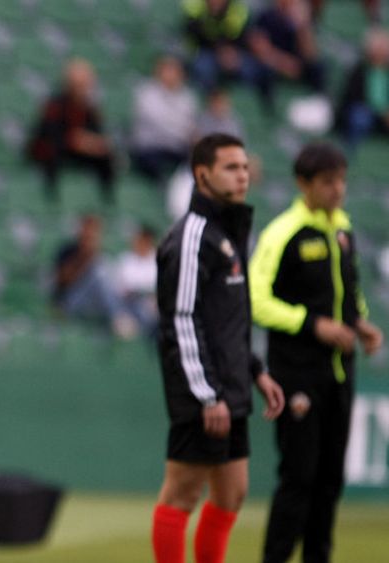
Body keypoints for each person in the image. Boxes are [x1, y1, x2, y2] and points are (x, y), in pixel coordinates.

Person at [152, 133, 284, 563]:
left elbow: (229, 322)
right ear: (201, 174)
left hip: (231, 386)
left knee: (232, 492)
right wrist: (207, 393)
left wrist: (255, 370)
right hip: (203, 393)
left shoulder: (228, 235)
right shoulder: (192, 238)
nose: (242, 175)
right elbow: (181, 321)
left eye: (245, 167)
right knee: (182, 494)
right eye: (231, 167)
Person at [249, 143, 384, 563]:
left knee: (329, 481)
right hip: (298, 375)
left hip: (340, 374)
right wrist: (314, 324)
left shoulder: (342, 231)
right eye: (328, 182)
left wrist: (358, 321)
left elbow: (349, 293)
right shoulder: (282, 232)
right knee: (299, 478)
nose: (338, 190)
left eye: (342, 180)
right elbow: (255, 300)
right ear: (303, 184)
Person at [24, 58, 116, 203]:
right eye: (80, 84)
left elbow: (97, 132)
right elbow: (48, 133)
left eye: (86, 83)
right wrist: (74, 140)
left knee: (106, 155)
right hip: (53, 148)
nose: (84, 87)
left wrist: (94, 143)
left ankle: (107, 200)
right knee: (51, 153)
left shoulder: (89, 106)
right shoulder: (55, 104)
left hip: (79, 150)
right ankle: (51, 198)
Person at [52, 213, 138, 339]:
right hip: (70, 302)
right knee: (99, 272)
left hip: (94, 303)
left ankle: (125, 320)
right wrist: (84, 257)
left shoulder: (101, 254)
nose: (90, 235)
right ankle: (120, 317)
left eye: (94, 232)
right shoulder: (67, 250)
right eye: (88, 230)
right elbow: (62, 280)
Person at [130, 55, 198, 186]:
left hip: (177, 148)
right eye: (168, 70)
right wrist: (186, 134)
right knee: (153, 163)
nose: (173, 75)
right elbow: (161, 125)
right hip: (149, 148)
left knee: (199, 160)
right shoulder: (146, 93)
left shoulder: (187, 96)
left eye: (176, 71)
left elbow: (189, 123)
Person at [247, 0, 326, 98]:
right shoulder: (265, 16)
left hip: (298, 89)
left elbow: (296, 69)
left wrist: (302, 26)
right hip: (268, 78)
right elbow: (257, 48)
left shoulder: (302, 29)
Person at [335, 28, 389, 150]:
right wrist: (381, 111)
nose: (384, 50)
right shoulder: (359, 69)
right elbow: (353, 97)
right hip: (364, 111)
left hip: (384, 114)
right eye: (380, 46)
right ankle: (351, 151)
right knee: (360, 117)